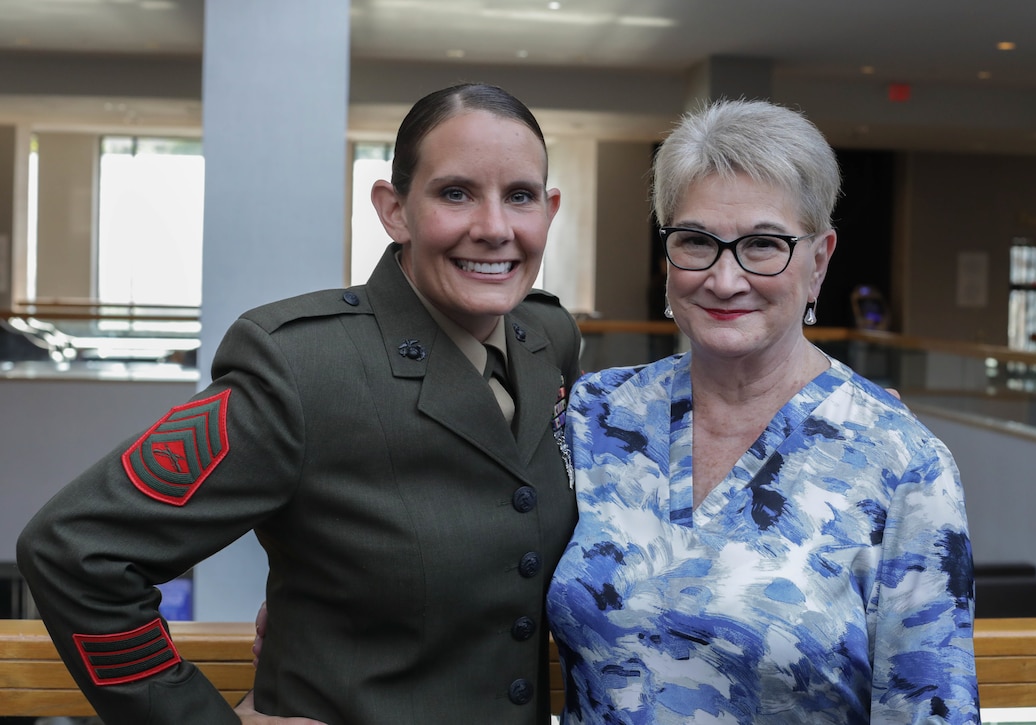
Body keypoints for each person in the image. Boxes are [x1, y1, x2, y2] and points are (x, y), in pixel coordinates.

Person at [16, 83, 582, 724]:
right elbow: (76, 551)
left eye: (520, 197)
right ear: (394, 210)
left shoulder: (548, 342)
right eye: (455, 193)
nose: (494, 228)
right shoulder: (303, 368)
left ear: (549, 209)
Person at [545, 99, 979, 723]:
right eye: (696, 241)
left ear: (820, 261)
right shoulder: (595, 416)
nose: (725, 279)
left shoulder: (902, 464)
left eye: (764, 244)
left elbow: (928, 709)